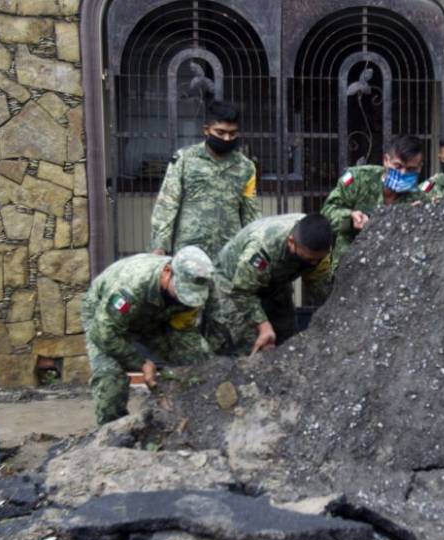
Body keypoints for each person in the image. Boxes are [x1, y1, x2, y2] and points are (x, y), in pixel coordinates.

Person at [81, 247, 214, 425]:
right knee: (110, 376)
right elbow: (104, 334)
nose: (187, 299)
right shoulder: (131, 286)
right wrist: (142, 363)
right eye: (183, 291)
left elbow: (184, 332)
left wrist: (189, 366)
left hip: (151, 318)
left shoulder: (195, 287)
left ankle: (189, 416)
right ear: (167, 272)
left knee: (199, 359)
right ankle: (113, 434)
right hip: (105, 319)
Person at [204, 213, 335, 356]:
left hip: (275, 281)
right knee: (249, 343)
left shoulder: (318, 237)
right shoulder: (262, 248)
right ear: (291, 242)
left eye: (318, 259)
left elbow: (318, 281)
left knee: (287, 336)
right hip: (233, 283)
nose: (314, 263)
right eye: (309, 259)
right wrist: (263, 326)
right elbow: (241, 292)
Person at [149, 100, 259, 259]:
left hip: (229, 252)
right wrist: (159, 246)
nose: (227, 138)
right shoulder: (184, 159)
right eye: (220, 133)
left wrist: (254, 246)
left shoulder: (246, 167)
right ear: (206, 130)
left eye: (232, 133)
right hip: (189, 252)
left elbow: (251, 212)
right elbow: (167, 203)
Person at [320, 135, 424, 270]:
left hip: (390, 271)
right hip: (349, 268)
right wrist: (350, 218)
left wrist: (416, 219)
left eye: (410, 169)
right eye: (398, 166)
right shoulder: (359, 179)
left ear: (419, 168)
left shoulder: (418, 200)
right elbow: (327, 212)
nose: (403, 173)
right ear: (386, 160)